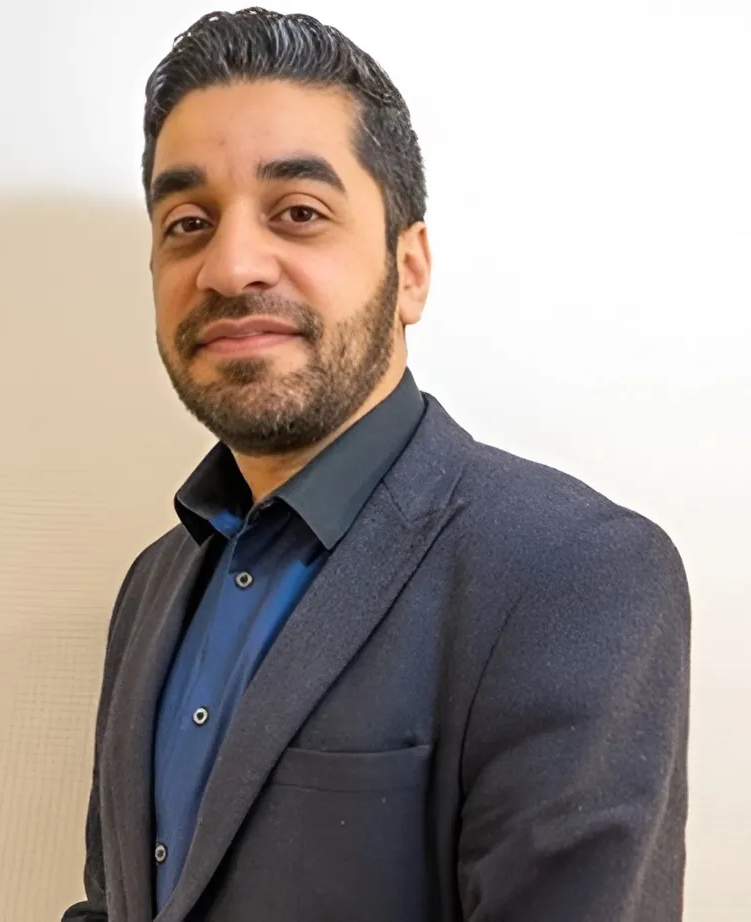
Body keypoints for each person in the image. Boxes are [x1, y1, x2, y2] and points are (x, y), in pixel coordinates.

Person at [61, 8, 691, 922]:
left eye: (300, 213)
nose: (231, 265)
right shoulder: (151, 586)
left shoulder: (574, 574)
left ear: (411, 269)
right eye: (188, 222)